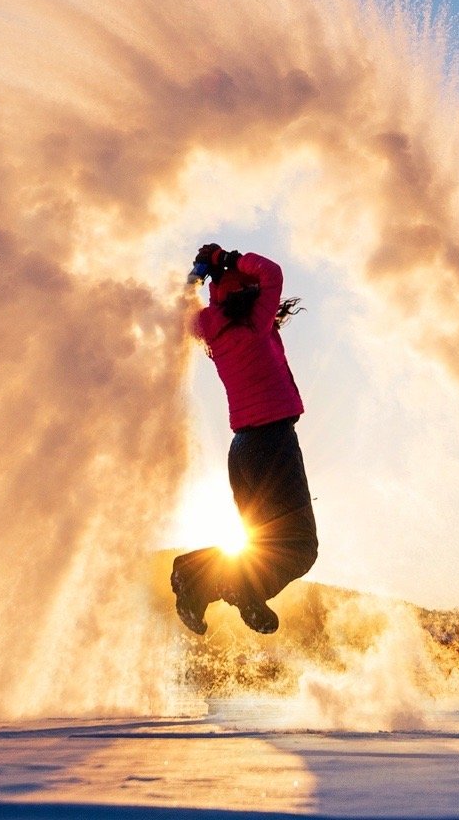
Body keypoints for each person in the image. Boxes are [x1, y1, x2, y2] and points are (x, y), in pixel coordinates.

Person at [171, 243, 319, 636]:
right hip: (272, 442)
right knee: (300, 547)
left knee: (264, 544)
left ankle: (201, 583)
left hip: (243, 451)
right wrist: (226, 260)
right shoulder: (255, 319)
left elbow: (177, 315)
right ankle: (211, 579)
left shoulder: (209, 327)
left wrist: (195, 277)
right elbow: (271, 272)